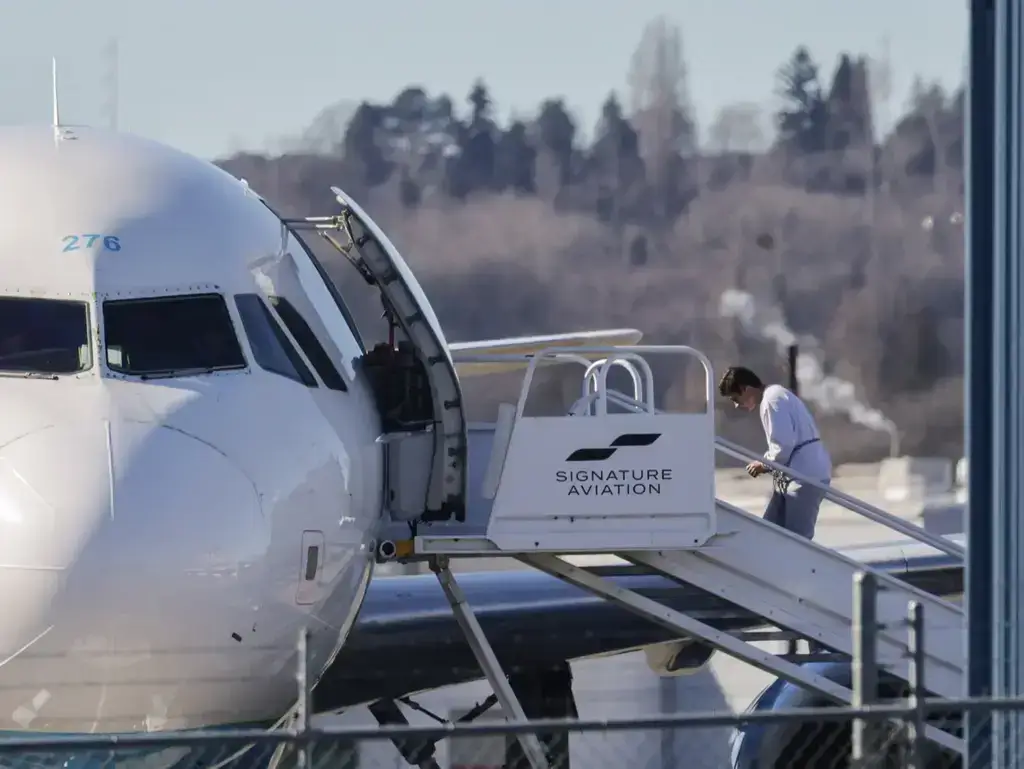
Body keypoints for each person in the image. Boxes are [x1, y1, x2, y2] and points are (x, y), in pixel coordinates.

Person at [717, 366, 832, 540]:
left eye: (735, 398)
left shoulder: (772, 400)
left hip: (803, 476)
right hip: (795, 475)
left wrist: (764, 464)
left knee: (797, 540)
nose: (736, 405)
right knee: (769, 533)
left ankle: (798, 567)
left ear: (745, 389)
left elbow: (783, 445)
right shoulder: (776, 395)